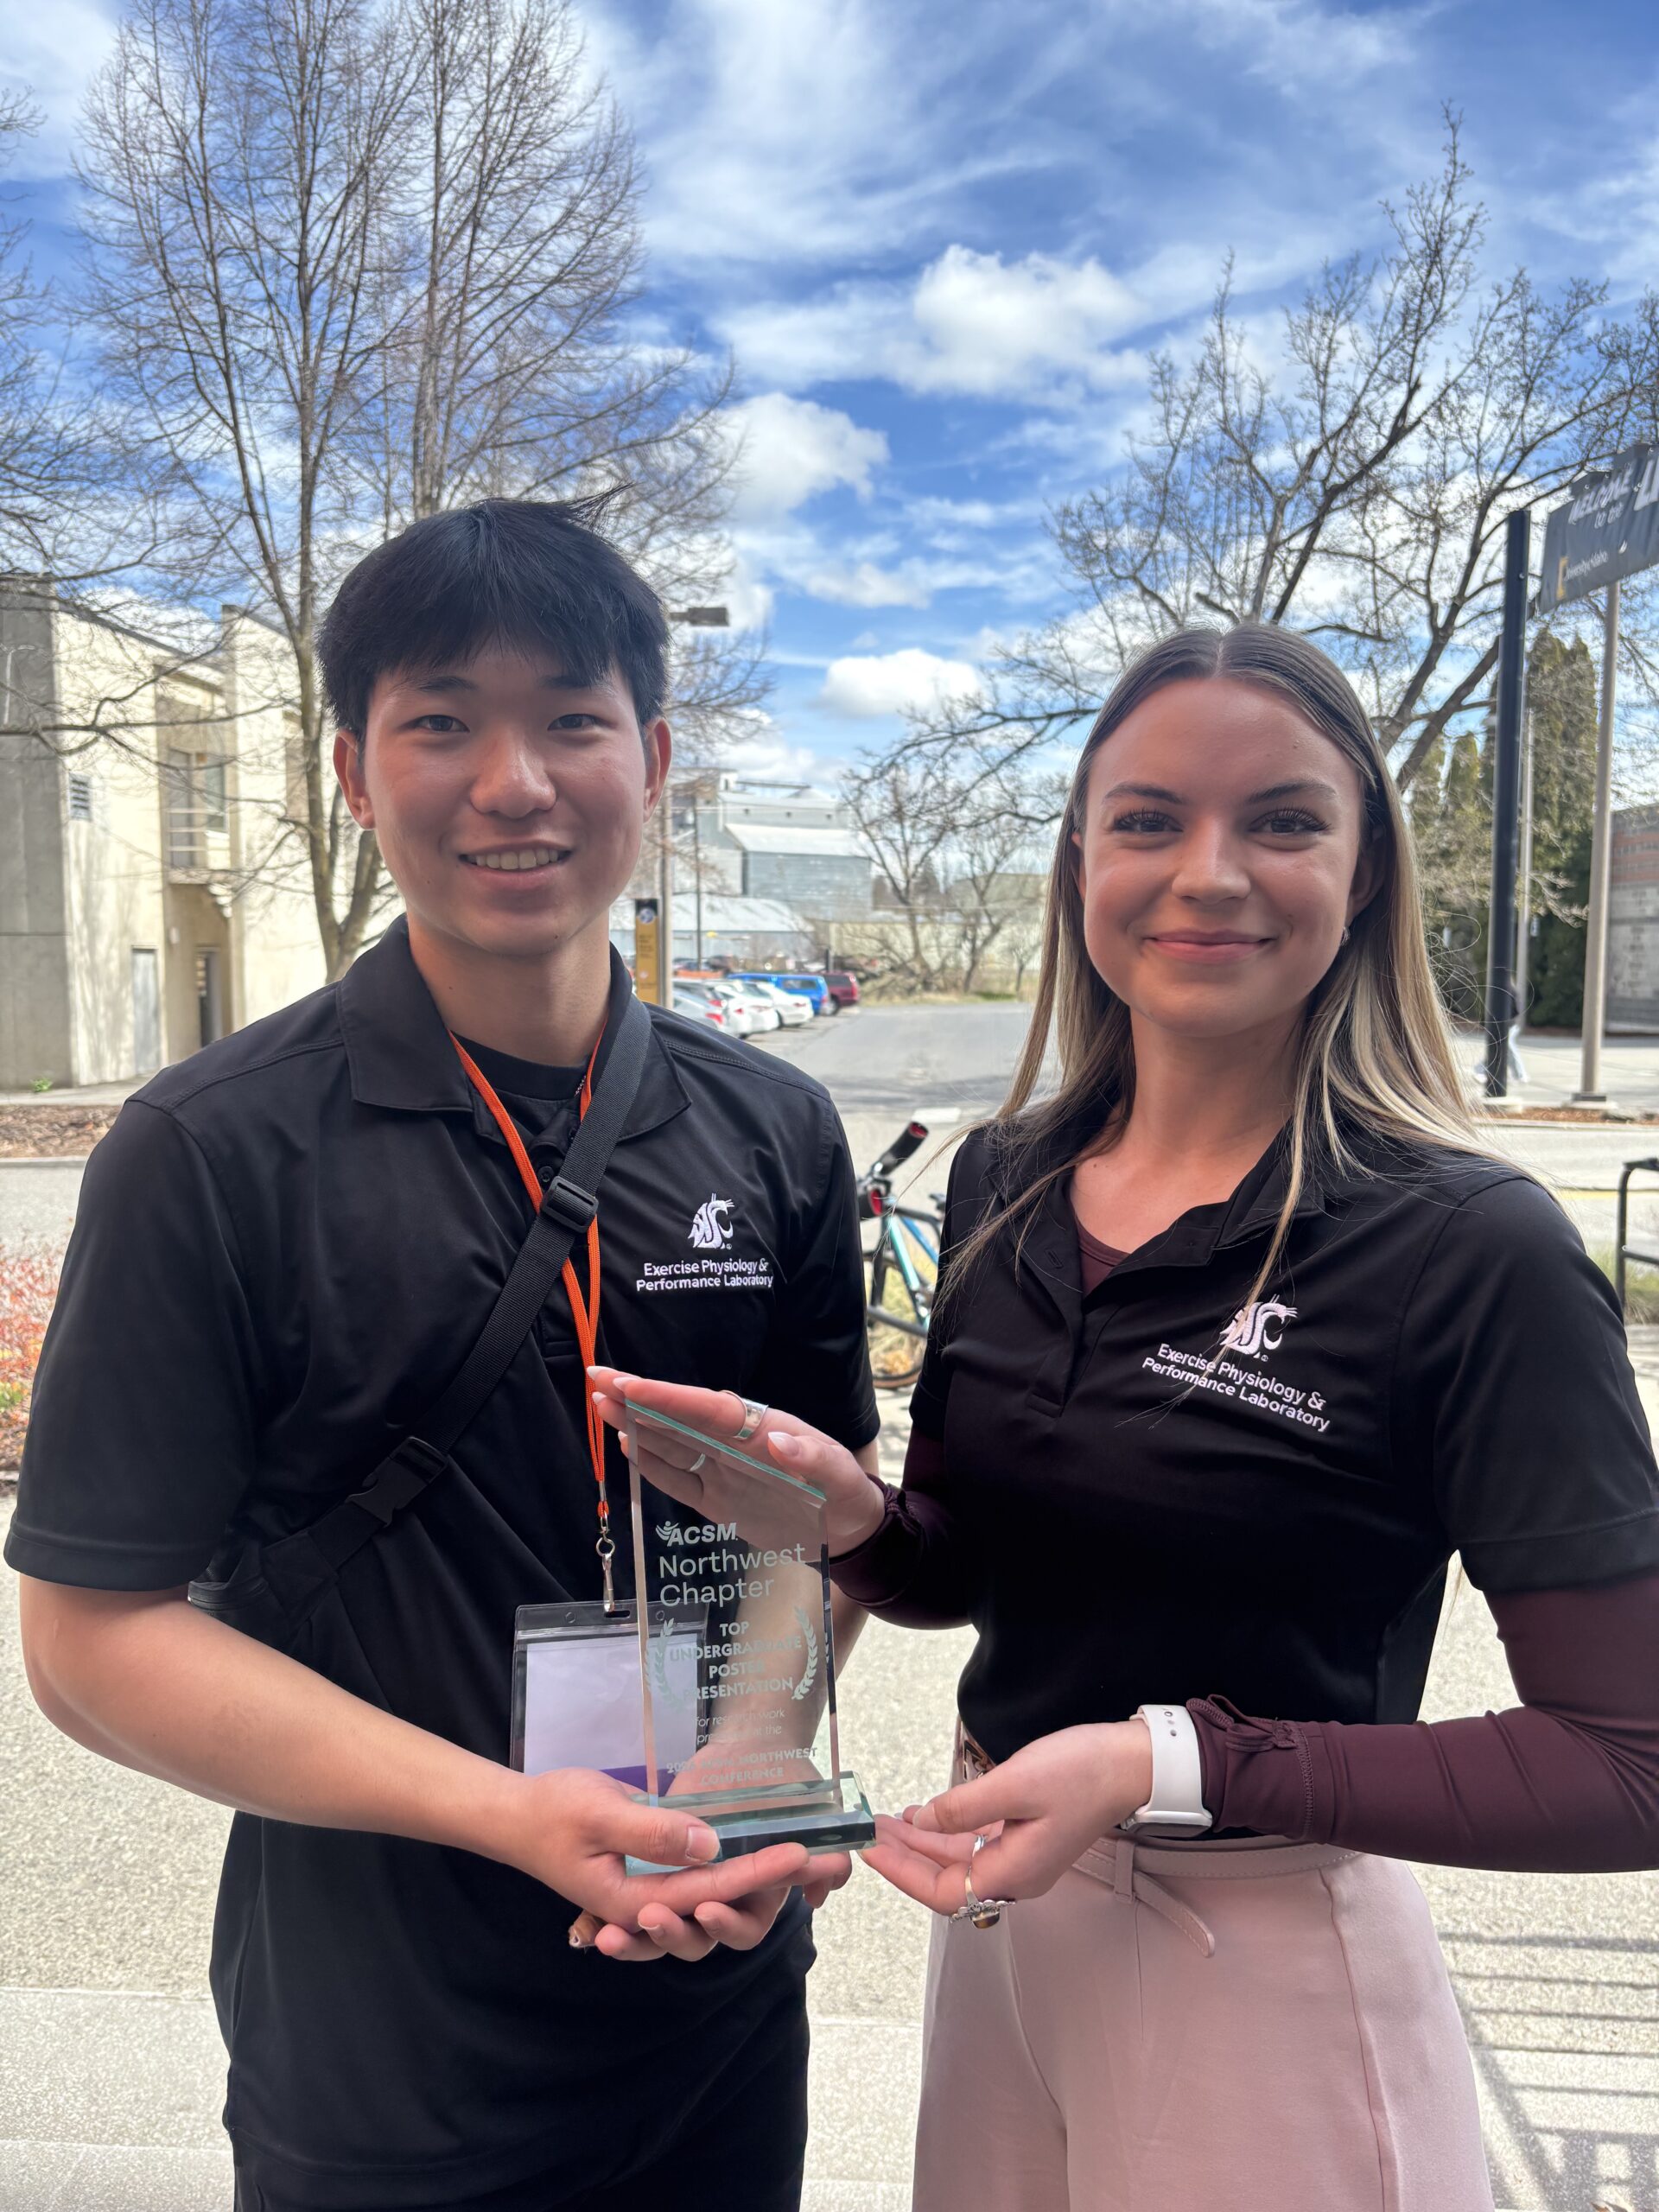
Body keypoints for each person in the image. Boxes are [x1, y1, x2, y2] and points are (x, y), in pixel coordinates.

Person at [593, 624, 1659, 2212]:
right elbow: (970, 1573)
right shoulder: (1006, 1180)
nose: (1207, 874)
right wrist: (848, 1518)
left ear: (1365, 870)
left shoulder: (1468, 1248)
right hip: (1003, 1927)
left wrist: (1170, 1760)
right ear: (1080, 861)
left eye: (1282, 820)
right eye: (1149, 819)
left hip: (1261, 1968)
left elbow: (1631, 1763)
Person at [7, 497, 880, 2212]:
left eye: (570, 719)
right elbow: (92, 1639)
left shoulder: (772, 1127)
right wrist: (509, 1810)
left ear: (655, 758)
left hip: (718, 1996)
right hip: (382, 2051)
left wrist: (762, 1741)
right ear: (352, 770)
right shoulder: (212, 1150)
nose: (513, 781)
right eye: (441, 722)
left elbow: (814, 1520)